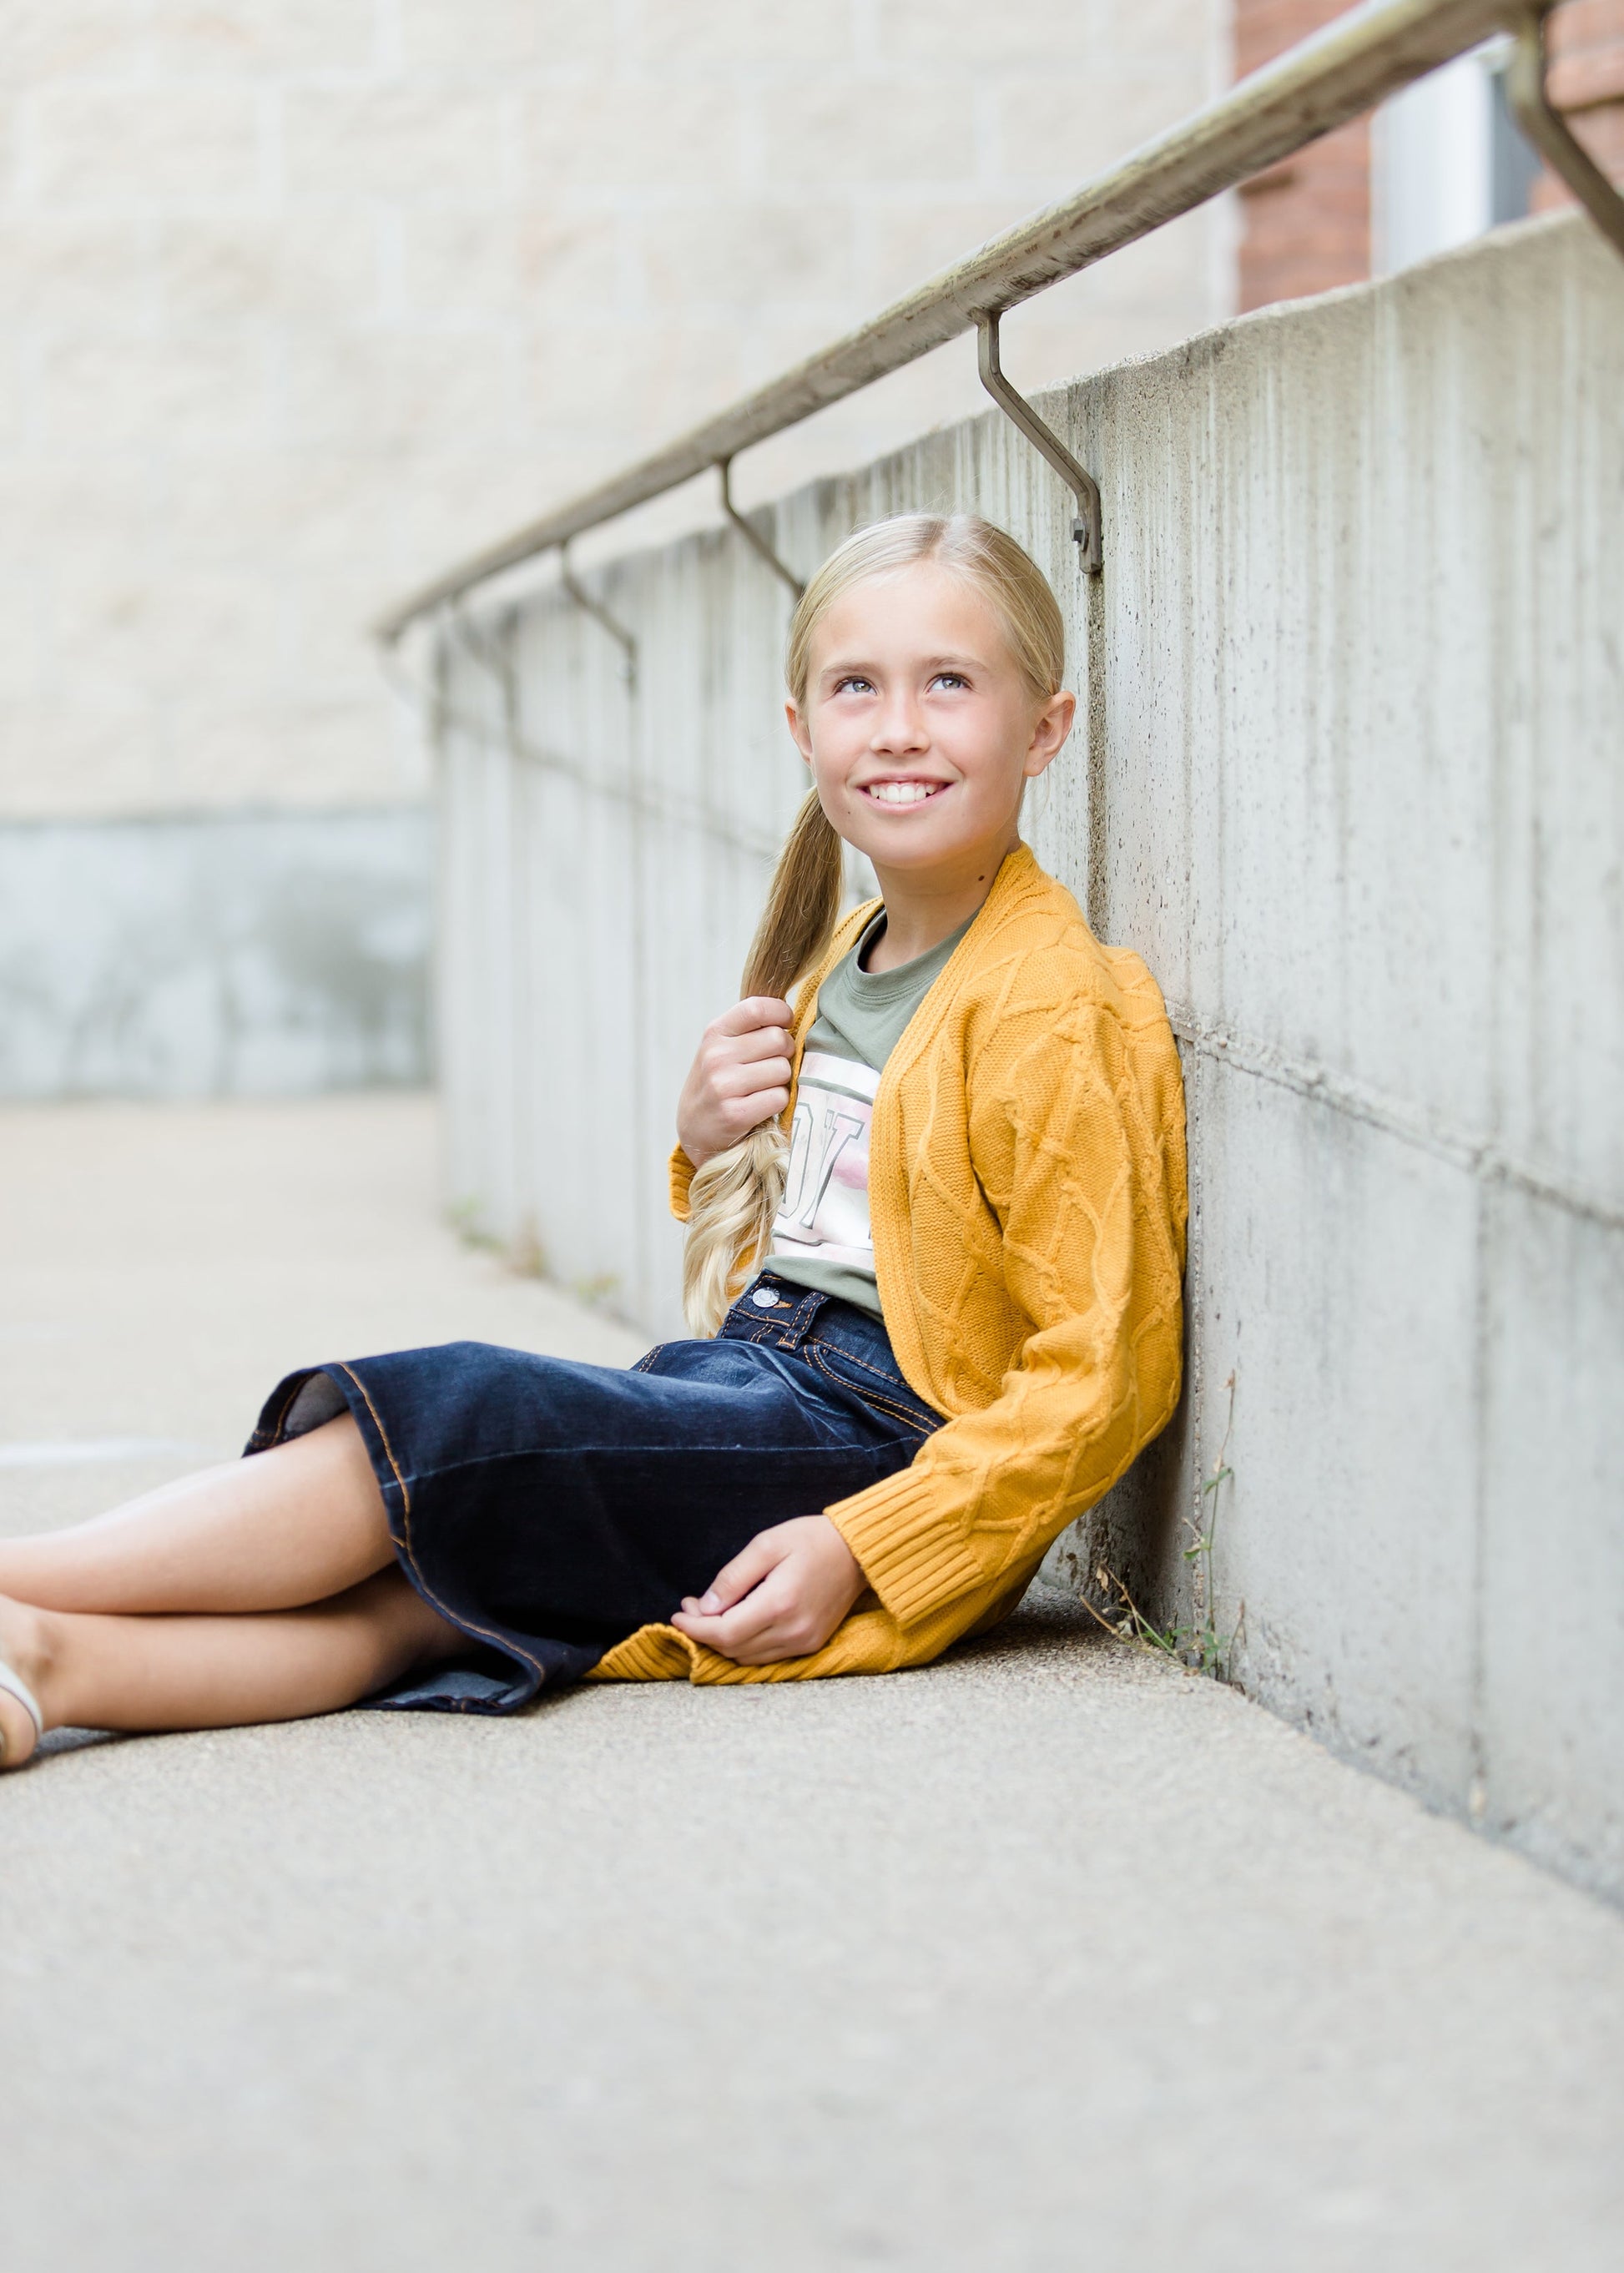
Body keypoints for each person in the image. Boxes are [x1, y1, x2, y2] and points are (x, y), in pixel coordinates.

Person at [0, 513, 1188, 1771]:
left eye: (948, 683)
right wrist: (707, 1135)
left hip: (869, 1448)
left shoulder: (1055, 1003)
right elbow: (839, 1228)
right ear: (802, 730)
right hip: (755, 1385)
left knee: (462, 1412)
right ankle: (42, 1662)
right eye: (857, 687)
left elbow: (1101, 1374)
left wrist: (866, 1544)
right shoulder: (848, 956)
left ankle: (22, 1573)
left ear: (1043, 728)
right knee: (432, 1604)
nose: (899, 726)